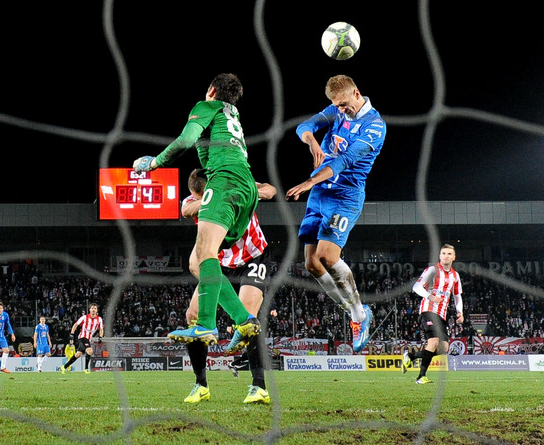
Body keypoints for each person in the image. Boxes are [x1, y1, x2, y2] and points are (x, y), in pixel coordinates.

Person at [133, 73, 260, 351]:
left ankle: (206, 324)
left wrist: (154, 163)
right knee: (197, 261)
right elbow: (204, 155)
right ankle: (243, 319)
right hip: (247, 188)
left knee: (205, 254)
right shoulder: (232, 116)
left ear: (211, 90)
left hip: (225, 182)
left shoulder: (207, 106)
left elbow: (183, 140)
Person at [285, 74, 386, 353]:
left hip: (345, 196)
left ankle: (358, 316)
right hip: (320, 193)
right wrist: (312, 142)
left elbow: (345, 160)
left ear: (357, 93)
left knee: (328, 257)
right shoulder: (336, 110)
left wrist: (309, 182)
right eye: (335, 106)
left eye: (343, 104)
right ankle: (357, 310)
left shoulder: (375, 126)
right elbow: (305, 126)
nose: (340, 110)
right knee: (311, 264)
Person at [181, 167, 276, 404]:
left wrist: (253, 191)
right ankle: (200, 384)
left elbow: (271, 190)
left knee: (247, 315)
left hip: (251, 256)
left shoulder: (237, 183)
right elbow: (185, 209)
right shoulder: (195, 199)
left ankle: (259, 386)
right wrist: (210, 201)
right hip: (218, 263)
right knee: (192, 315)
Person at [402, 244, 464, 384]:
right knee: (433, 342)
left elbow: (457, 296)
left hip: (442, 314)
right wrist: (430, 297)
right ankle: (420, 377)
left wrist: (460, 311)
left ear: (454, 257)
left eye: (449, 254)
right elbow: (416, 287)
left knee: (443, 348)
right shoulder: (432, 270)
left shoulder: (455, 275)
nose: (446, 256)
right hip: (428, 310)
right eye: (443, 253)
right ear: (439, 256)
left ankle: (411, 356)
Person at [60, 303, 104, 374]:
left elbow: (101, 329)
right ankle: (86, 369)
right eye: (92, 308)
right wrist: (72, 333)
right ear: (89, 310)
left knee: (78, 354)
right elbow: (76, 324)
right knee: (90, 351)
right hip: (82, 337)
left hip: (88, 339)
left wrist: (100, 337)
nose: (93, 310)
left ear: (97, 310)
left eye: (95, 308)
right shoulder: (84, 317)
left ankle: (64, 367)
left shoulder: (99, 319)